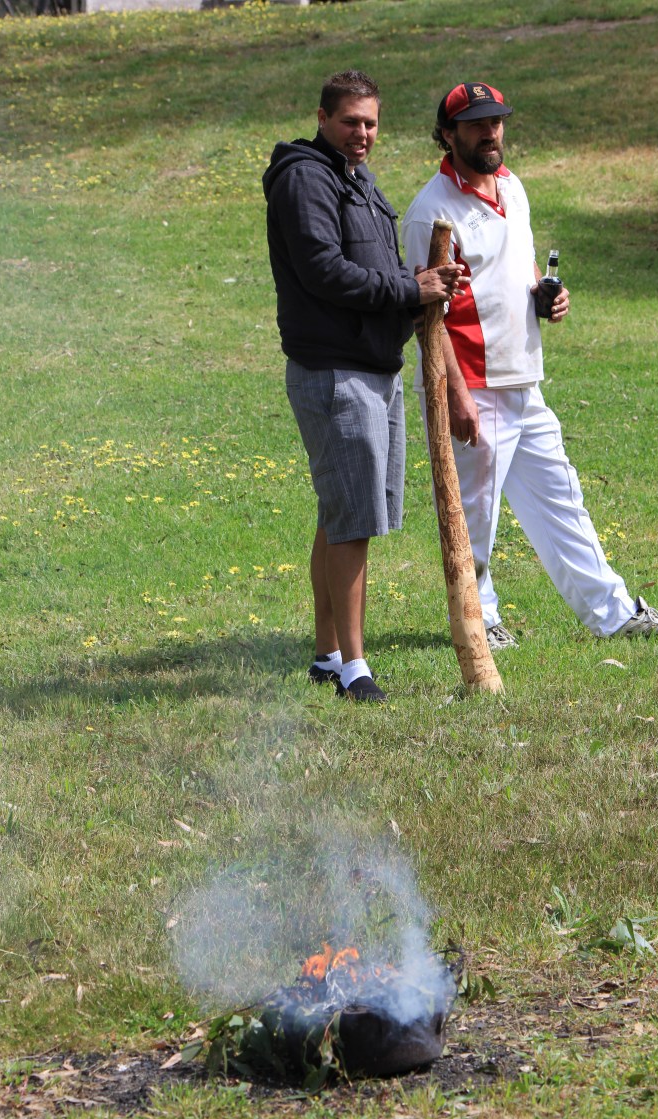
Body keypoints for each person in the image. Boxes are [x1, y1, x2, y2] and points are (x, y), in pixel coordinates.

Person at [401, 81, 658, 648]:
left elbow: (521, 266)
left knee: (563, 502)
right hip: (473, 386)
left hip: (525, 380)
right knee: (474, 516)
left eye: (496, 121)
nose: (490, 133)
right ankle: (480, 622)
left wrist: (544, 295)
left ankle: (616, 615)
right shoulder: (431, 212)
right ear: (448, 134)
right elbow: (427, 315)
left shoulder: (512, 186)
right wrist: (455, 393)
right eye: (476, 125)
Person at [263, 70, 467, 701]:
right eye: (350, 121)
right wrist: (410, 287)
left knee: (342, 512)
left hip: (373, 364)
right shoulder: (305, 178)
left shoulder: (358, 179)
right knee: (351, 519)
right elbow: (323, 270)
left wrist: (423, 289)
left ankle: (327, 654)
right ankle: (354, 669)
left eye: (371, 123)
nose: (362, 133)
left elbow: (374, 268)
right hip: (336, 370)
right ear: (322, 118)